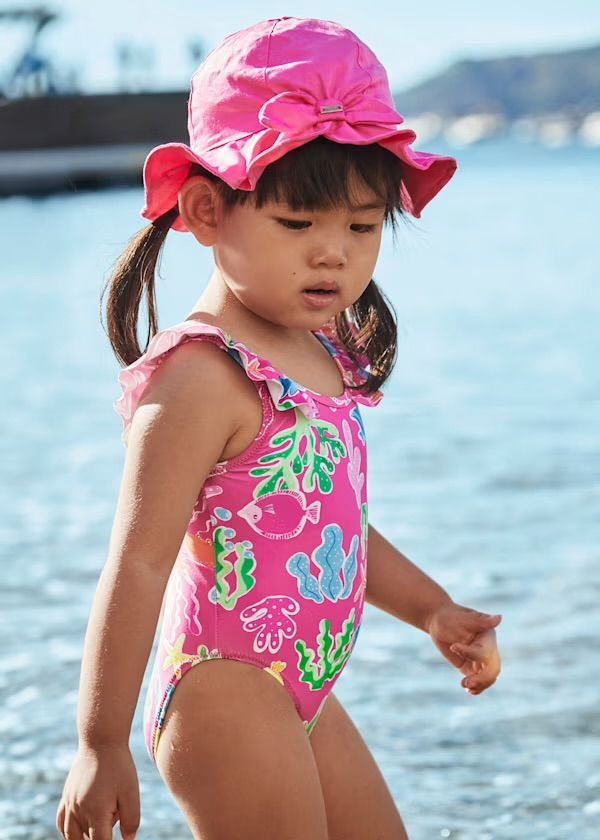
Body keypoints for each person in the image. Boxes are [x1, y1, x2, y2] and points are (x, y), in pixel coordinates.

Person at [56, 16, 502, 840]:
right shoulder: (200, 375)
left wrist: (433, 610)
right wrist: (98, 742)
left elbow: (329, 525)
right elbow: (139, 561)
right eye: (298, 226)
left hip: (302, 686)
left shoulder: (318, 349)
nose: (333, 254)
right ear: (206, 209)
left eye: (363, 227)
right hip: (223, 688)